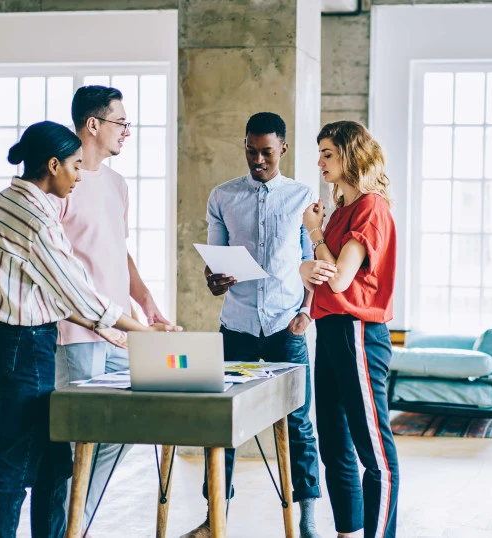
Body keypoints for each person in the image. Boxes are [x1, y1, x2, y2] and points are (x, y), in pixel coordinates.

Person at [0, 121, 180, 538]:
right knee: (13, 466)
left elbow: (51, 292)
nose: (79, 174)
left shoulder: (1, 203)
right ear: (53, 165)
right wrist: (139, 331)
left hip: (1, 344)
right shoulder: (38, 218)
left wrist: (108, 329)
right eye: (73, 165)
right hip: (23, 348)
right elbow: (78, 291)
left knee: (52, 463)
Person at [180, 112, 322, 538]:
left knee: (299, 422)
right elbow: (214, 269)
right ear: (243, 144)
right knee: (221, 422)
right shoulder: (222, 196)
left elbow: (314, 261)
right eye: (251, 149)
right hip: (237, 326)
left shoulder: (302, 196)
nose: (257, 159)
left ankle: (308, 518)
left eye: (267, 152)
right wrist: (214, 280)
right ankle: (214, 518)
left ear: (282, 150)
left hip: (285, 327)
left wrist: (306, 313)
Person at [54, 85, 172, 533]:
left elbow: (118, 251)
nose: (128, 131)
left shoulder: (118, 184)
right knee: (78, 439)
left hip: (122, 332)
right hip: (77, 334)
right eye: (122, 123)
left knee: (128, 421)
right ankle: (67, 527)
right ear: (93, 125)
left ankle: (75, 523)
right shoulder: (62, 181)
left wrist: (148, 305)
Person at [300, 120, 399, 538]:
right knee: (335, 446)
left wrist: (314, 234)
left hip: (358, 333)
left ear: (350, 154)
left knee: (374, 452)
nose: (320, 161)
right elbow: (319, 274)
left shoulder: (371, 207)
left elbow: (339, 280)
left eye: (328, 153)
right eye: (319, 152)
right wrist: (308, 265)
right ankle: (347, 533)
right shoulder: (341, 210)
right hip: (330, 331)